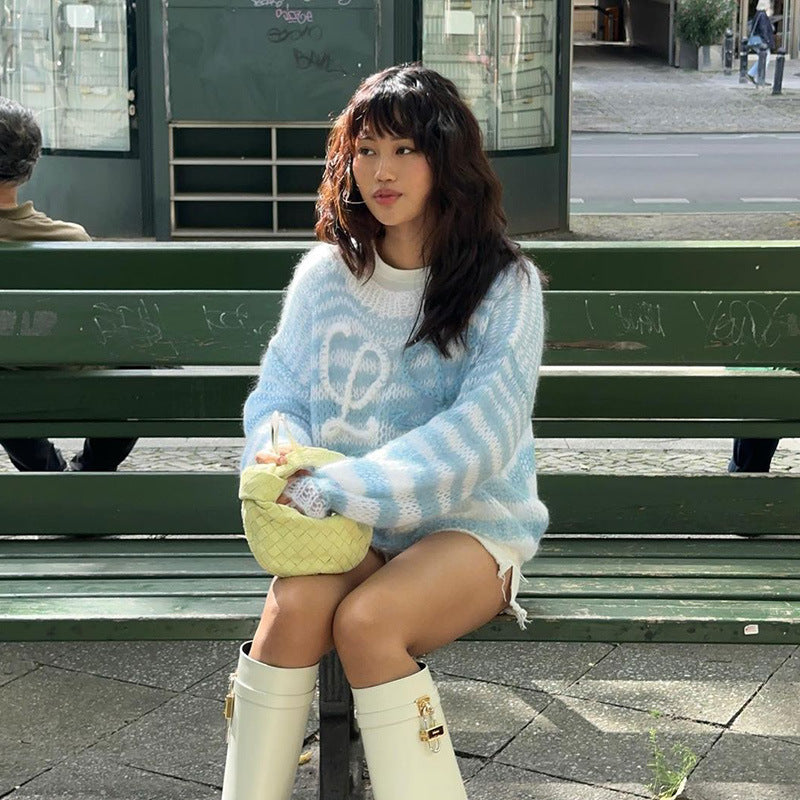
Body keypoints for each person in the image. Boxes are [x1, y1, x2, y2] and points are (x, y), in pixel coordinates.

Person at [222, 65, 549, 800]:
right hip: (347, 523)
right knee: (296, 605)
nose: (381, 171)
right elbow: (281, 394)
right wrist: (278, 455)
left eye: (404, 150)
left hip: (467, 526)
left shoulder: (505, 286)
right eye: (365, 151)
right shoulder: (325, 277)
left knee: (368, 622)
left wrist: (340, 484)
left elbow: (484, 434)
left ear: (447, 160)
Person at [0, 97, 137, 472]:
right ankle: (91, 470)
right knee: (138, 372)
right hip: (72, 379)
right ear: (28, 166)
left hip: (7, 390)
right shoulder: (70, 239)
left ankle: (43, 468)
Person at [746, 0, 775, 84]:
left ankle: (751, 74)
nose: (770, 6)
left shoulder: (758, 14)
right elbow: (763, 29)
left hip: (758, 40)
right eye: (769, 4)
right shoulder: (762, 15)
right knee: (765, 58)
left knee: (763, 58)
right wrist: (767, 41)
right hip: (761, 41)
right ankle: (760, 78)